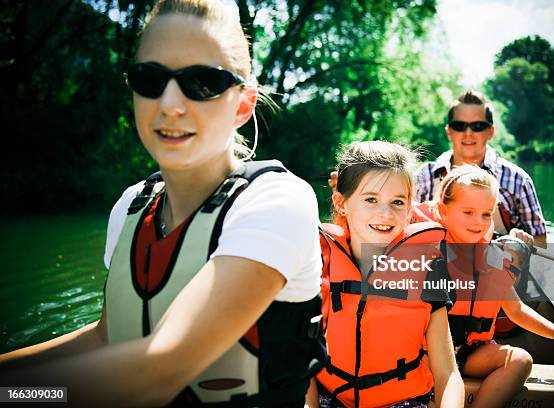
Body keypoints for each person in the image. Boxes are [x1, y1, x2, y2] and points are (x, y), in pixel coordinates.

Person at [0, 1, 326, 406]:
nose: (169, 103)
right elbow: (108, 335)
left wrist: (15, 394)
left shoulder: (279, 201)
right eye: (150, 78)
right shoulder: (130, 207)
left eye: (203, 81)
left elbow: (160, 369)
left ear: (243, 104)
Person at [410, 165, 554, 408]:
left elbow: (516, 310)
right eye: (468, 212)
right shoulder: (425, 253)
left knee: (520, 360)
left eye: (486, 214)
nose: (478, 222)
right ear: (444, 212)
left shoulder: (492, 258)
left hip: (472, 352)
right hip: (428, 352)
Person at [315, 141, 464, 408]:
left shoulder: (427, 269)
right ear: (341, 203)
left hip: (402, 402)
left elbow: (448, 373)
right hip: (329, 398)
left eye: (397, 202)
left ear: (409, 209)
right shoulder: (317, 261)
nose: (385, 213)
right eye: (371, 199)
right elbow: (300, 363)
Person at [414, 90, 548, 247]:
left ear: (490, 132)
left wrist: (521, 242)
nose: (468, 133)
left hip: (497, 268)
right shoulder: (423, 177)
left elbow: (540, 242)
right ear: (449, 132)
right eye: (459, 126)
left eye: (478, 126)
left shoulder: (518, 180)